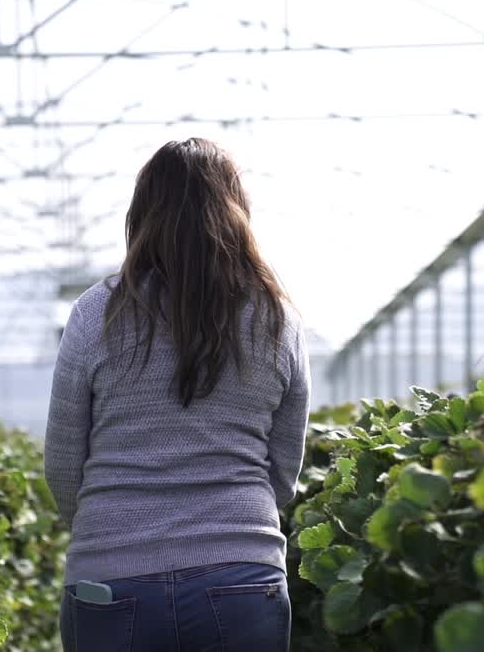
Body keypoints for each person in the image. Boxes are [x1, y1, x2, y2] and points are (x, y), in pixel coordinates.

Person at [44, 138, 311, 652]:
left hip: (110, 581)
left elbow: (62, 462)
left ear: (142, 213)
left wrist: (110, 533)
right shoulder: (278, 320)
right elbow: (284, 467)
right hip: (242, 580)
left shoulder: (96, 313)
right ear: (238, 213)